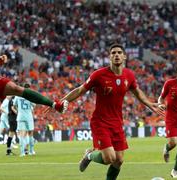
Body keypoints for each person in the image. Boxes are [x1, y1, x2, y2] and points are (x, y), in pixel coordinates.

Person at [56, 44, 163, 180]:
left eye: (119, 52)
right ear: (109, 57)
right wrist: (60, 101)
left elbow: (137, 91)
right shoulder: (99, 75)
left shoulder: (129, 75)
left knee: (118, 161)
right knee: (109, 158)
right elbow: (80, 90)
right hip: (100, 122)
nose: (116, 55)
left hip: (117, 123)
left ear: (124, 56)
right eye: (113, 53)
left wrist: (149, 104)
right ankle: (89, 155)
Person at [14, 83, 36, 156]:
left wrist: (18, 111)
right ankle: (31, 151)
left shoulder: (18, 96)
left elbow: (14, 105)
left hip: (20, 117)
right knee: (30, 134)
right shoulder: (30, 96)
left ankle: (22, 152)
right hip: (29, 117)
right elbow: (34, 105)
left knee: (22, 135)